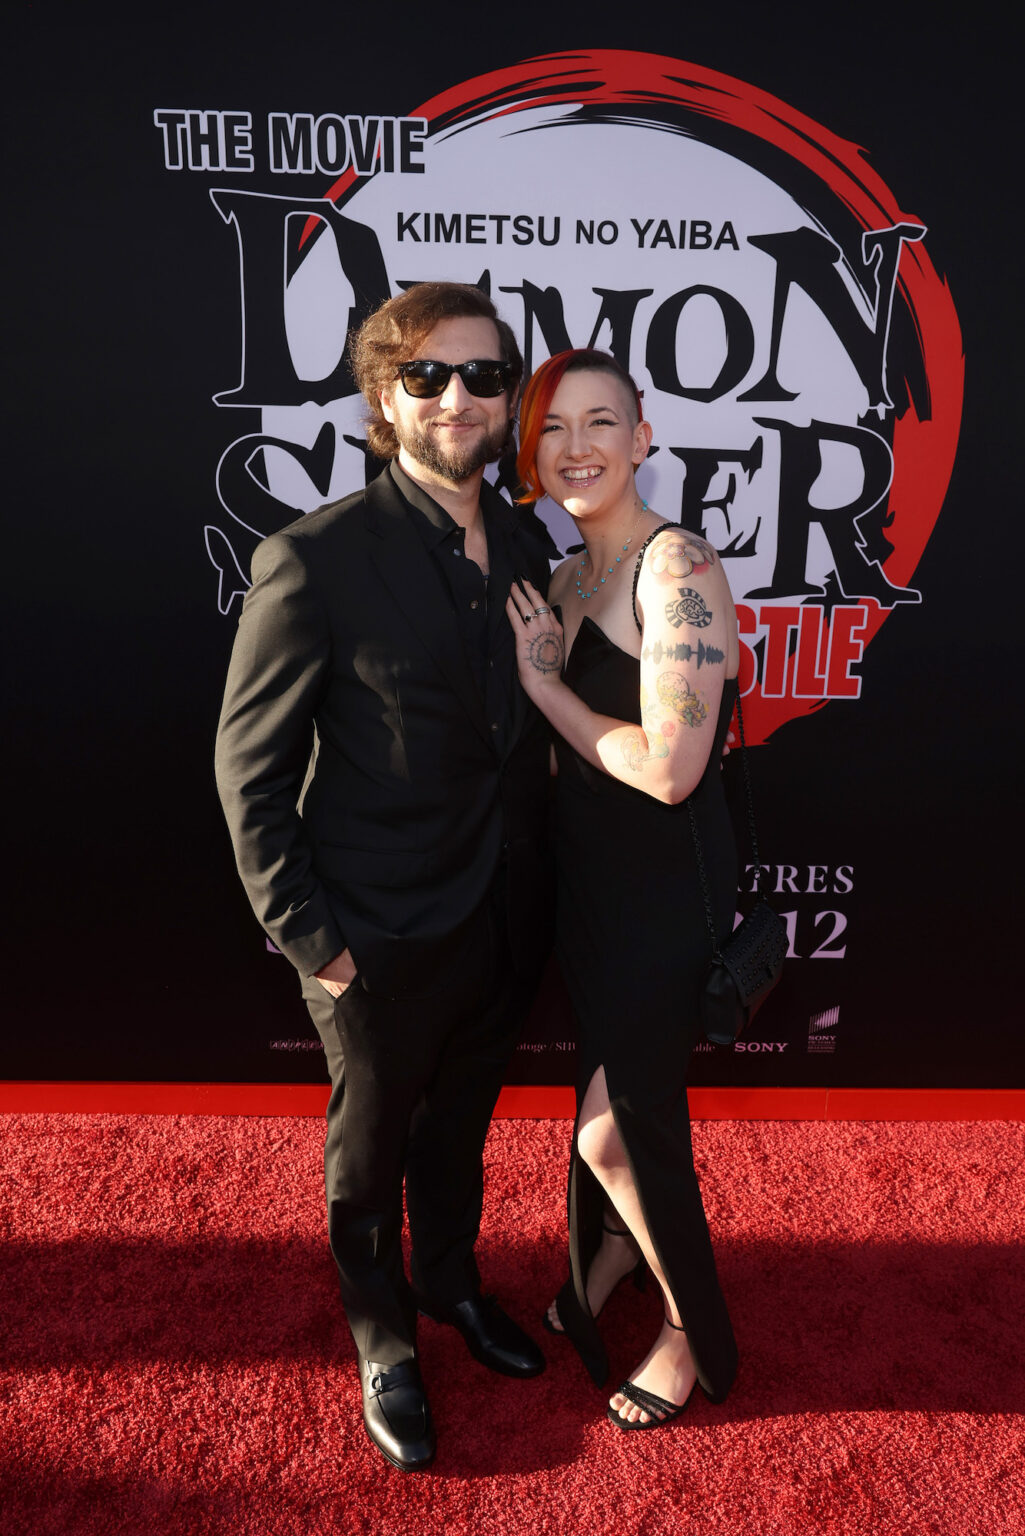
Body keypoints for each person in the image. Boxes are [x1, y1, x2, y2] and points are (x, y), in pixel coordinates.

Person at [214, 282, 559, 1472]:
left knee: (456, 1131)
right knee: (366, 1154)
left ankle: (452, 1286)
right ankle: (383, 1338)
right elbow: (246, 775)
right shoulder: (312, 561)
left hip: (499, 918)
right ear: (381, 398)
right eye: (428, 377)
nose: (458, 398)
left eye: (482, 376)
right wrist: (316, 941)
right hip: (372, 928)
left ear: (508, 396)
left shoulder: (524, 538)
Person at [505, 347, 740, 1431]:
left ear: (641, 440)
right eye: (552, 427)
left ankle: (692, 1330)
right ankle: (600, 1261)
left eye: (600, 422)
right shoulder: (564, 580)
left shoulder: (674, 569)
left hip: (662, 898)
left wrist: (544, 686)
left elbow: (663, 767)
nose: (576, 446)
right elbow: (569, 766)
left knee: (617, 1127)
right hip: (589, 890)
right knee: (603, 1095)